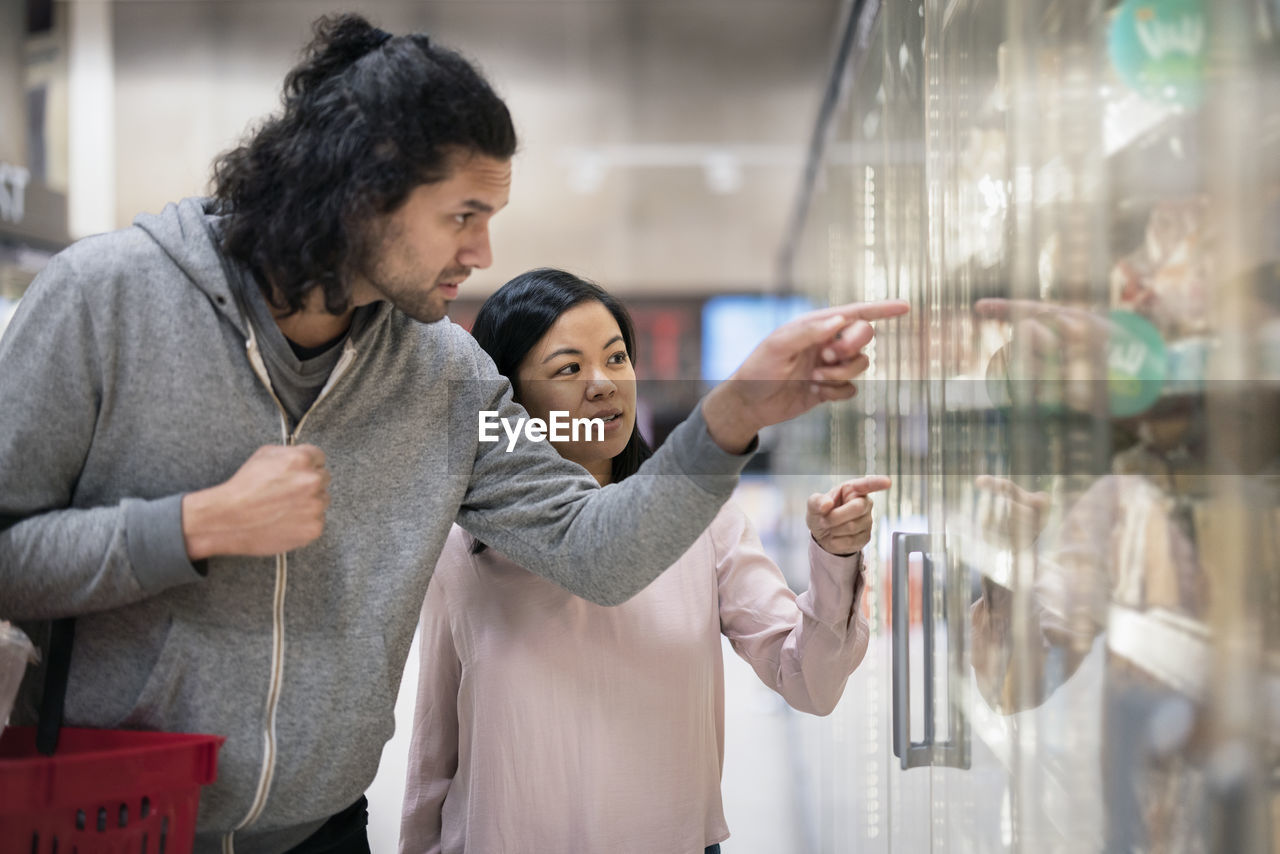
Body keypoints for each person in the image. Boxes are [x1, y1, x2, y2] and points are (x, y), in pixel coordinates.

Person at [0, 13, 908, 854]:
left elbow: (591, 546)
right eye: (463, 216)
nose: (481, 254)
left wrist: (734, 415)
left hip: (320, 831)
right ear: (363, 191)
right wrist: (193, 529)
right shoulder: (105, 300)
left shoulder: (445, 377)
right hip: (105, 820)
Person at [399, 268, 886, 854]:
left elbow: (809, 680)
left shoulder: (702, 519)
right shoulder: (463, 543)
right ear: (509, 398)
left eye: (617, 358)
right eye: (568, 368)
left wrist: (836, 557)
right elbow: (435, 749)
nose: (604, 383)